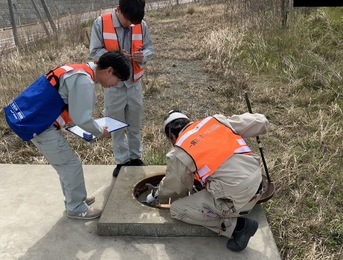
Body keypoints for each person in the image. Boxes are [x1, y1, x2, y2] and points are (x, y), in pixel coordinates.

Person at [146, 110, 269, 251]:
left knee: (177, 209)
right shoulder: (215, 121)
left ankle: (239, 227)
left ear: (172, 136)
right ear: (189, 121)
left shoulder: (180, 151)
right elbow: (261, 122)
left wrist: (156, 195)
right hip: (258, 183)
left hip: (237, 199)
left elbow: (174, 187)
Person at [27, 51, 130, 220]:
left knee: (66, 166)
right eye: (117, 80)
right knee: (70, 165)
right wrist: (99, 132)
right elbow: (81, 117)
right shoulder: (85, 81)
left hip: (40, 122)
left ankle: (75, 199)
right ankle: (76, 208)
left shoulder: (80, 70)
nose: (115, 84)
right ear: (109, 71)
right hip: (42, 127)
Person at [89, 0, 154, 177]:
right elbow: (94, 52)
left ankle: (135, 157)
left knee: (135, 124)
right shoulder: (101, 23)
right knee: (115, 126)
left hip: (134, 84)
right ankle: (122, 161)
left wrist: (143, 55)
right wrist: (115, 56)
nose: (130, 24)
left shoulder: (141, 25)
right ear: (118, 10)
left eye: (134, 22)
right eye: (127, 21)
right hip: (113, 85)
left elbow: (150, 48)